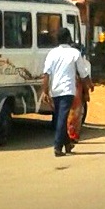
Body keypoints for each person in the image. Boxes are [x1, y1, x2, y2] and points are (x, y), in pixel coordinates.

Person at [41, 27, 93, 157]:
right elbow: (83, 73)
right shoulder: (74, 53)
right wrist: (89, 84)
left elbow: (46, 74)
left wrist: (45, 91)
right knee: (61, 118)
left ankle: (67, 144)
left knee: (60, 117)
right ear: (69, 39)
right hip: (68, 90)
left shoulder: (52, 53)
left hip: (55, 90)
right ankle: (58, 146)